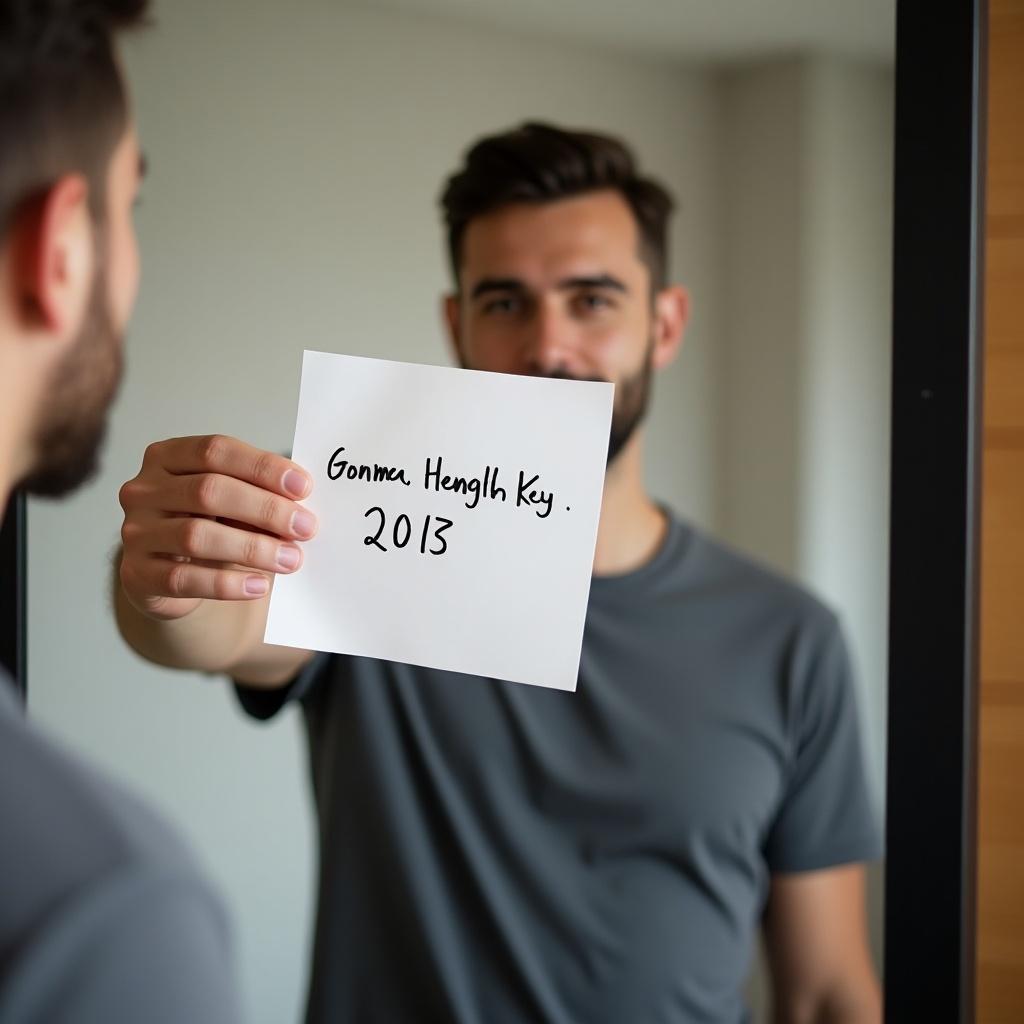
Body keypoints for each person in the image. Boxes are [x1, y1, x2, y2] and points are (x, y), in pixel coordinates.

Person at [114, 123, 882, 1023]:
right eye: (507, 303)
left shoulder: (790, 637)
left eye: (592, 300)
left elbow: (827, 986)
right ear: (457, 322)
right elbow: (213, 631)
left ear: (663, 324)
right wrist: (166, 575)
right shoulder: (362, 528)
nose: (549, 347)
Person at [0, 2, 243, 1021]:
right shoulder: (108, 915)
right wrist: (168, 574)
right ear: (62, 249)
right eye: (127, 206)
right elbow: (236, 625)